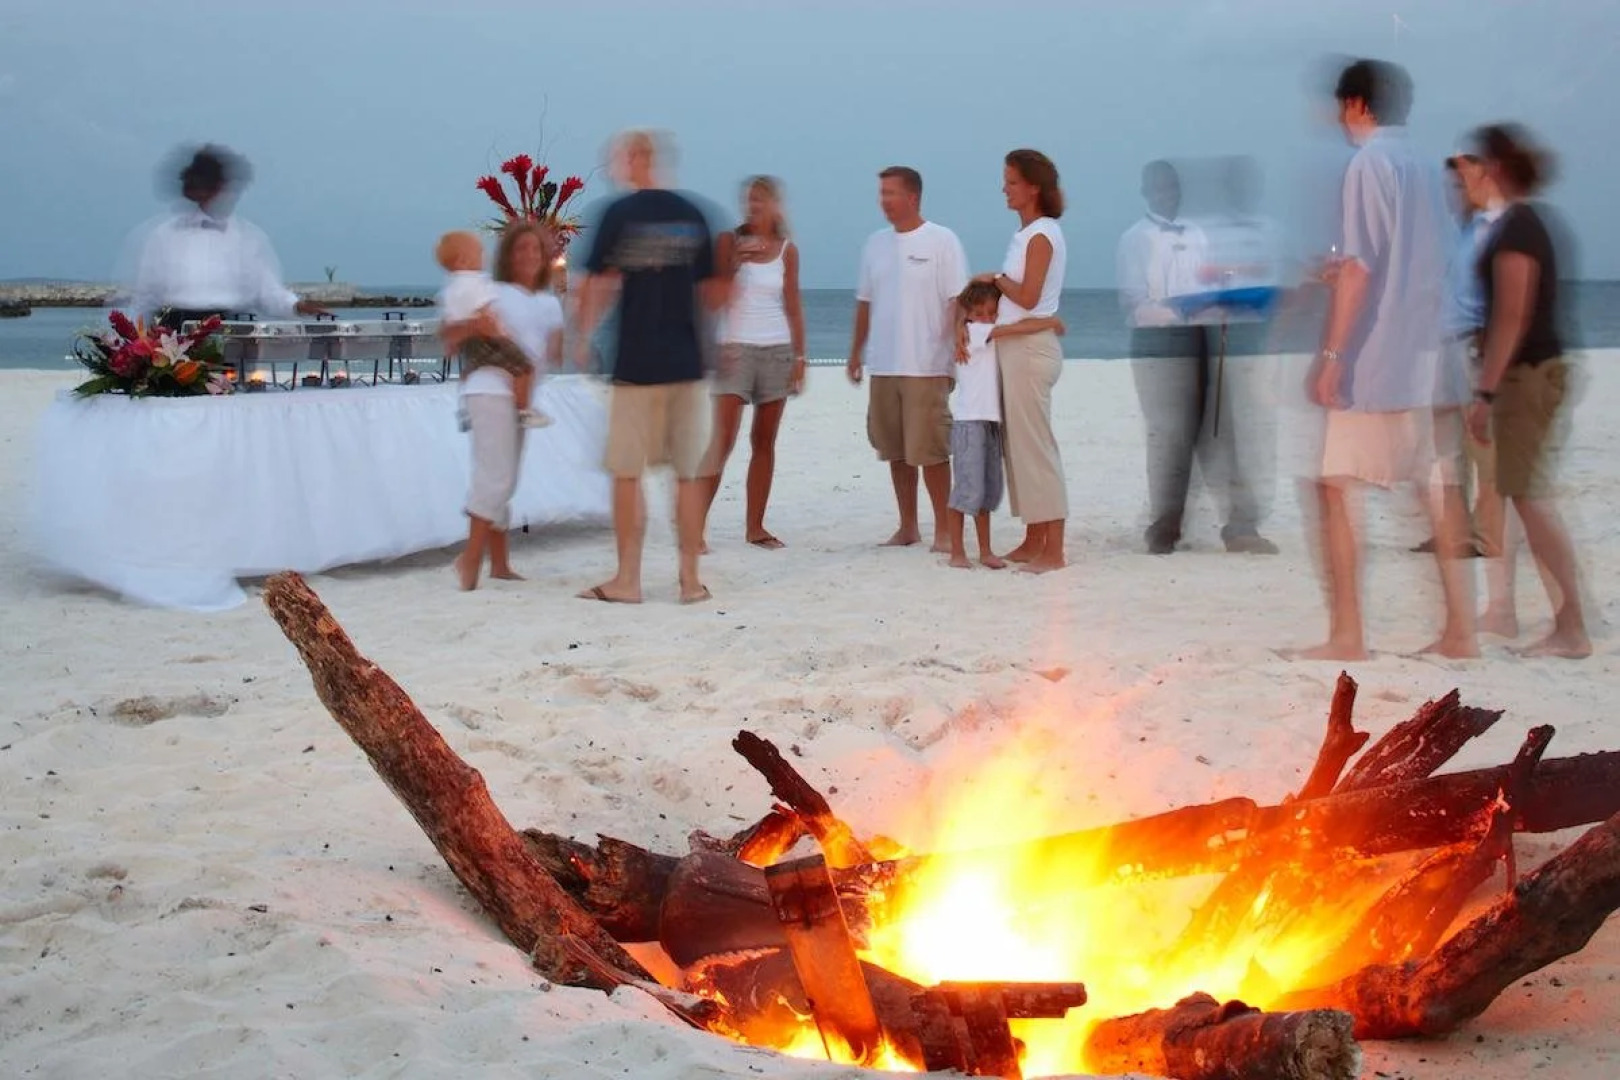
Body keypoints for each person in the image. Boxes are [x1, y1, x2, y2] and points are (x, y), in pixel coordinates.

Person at [1295, 59, 1476, 661]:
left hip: (1384, 353)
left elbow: (1364, 268)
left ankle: (1348, 635)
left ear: (1357, 105)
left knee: (1335, 487)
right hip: (1436, 349)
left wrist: (1332, 355)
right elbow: (1427, 259)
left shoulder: (1369, 162)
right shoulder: (1426, 165)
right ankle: (1461, 632)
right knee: (1438, 490)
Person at [573, 130, 724, 605]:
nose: (616, 166)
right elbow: (714, 291)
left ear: (637, 158)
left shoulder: (618, 214)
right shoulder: (695, 213)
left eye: (618, 157)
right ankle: (690, 580)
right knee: (685, 474)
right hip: (686, 362)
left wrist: (581, 335)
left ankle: (628, 580)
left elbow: (599, 284)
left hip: (636, 362)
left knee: (627, 472)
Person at [1465, 124, 1590, 658]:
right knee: (1530, 496)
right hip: (1537, 370)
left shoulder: (1518, 228)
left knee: (1531, 499)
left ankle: (1572, 627)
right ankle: (1571, 622)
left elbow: (1512, 316)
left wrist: (1485, 391)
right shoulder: (1528, 222)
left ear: (1496, 167)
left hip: (1526, 375)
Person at [1118, 160, 1276, 556]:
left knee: (1222, 430)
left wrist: (1220, 305)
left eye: (1171, 187)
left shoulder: (1198, 233)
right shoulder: (1135, 239)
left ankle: (1240, 526)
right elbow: (1134, 303)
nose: (1166, 194)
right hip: (1158, 344)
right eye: (1158, 188)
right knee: (1168, 436)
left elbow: (1211, 283)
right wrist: (1184, 311)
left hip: (1203, 341)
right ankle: (1165, 528)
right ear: (1145, 191)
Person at [848, 166, 970, 551]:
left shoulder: (941, 240)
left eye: (891, 193)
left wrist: (958, 345)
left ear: (913, 197)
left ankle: (945, 531)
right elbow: (865, 303)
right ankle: (908, 526)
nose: (884, 200)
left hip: (926, 364)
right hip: (884, 364)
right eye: (881, 193)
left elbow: (957, 301)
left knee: (930, 449)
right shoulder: (875, 244)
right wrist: (855, 352)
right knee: (896, 450)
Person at [439, 222, 565, 590]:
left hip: (521, 397)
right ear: (507, 256)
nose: (528, 256)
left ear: (544, 258)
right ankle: (470, 560)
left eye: (535, 250)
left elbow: (553, 352)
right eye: (520, 249)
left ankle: (500, 563)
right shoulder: (490, 291)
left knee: (505, 478)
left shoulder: (549, 301)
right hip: (489, 390)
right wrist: (474, 328)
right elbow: (449, 334)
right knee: (494, 477)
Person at [972, 149, 1071, 573]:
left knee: (1036, 448)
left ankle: (1054, 550)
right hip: (1016, 349)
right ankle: (1034, 538)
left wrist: (995, 278)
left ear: (1033, 187)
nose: (1004, 189)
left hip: (1031, 351)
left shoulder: (1042, 235)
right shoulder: (1027, 235)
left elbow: (1028, 297)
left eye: (1011, 181)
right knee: (1020, 449)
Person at [699, 176, 807, 551]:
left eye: (761, 200)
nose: (753, 207)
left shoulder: (787, 251)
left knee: (764, 441)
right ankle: (694, 530)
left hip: (776, 349)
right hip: (735, 350)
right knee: (721, 441)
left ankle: (755, 527)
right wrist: (733, 263)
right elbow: (711, 300)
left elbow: (792, 305)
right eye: (749, 200)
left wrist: (800, 355)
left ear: (776, 205)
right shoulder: (728, 242)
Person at [1412, 153, 1507, 558]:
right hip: (1443, 344)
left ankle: (1487, 535)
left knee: (1481, 444)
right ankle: (1453, 529)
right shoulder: (1455, 232)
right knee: (1444, 444)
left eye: (1460, 184)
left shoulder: (1493, 230)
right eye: (1449, 186)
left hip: (1474, 343)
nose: (1453, 193)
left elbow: (1502, 294)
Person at [125, 144, 329, 329]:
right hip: (174, 332)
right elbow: (145, 297)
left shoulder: (249, 238)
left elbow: (268, 292)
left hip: (231, 329)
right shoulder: (163, 236)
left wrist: (297, 306)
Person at [946, 281, 1066, 569]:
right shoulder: (977, 333)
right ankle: (957, 553)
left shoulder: (977, 331)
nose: (987, 317)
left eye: (992, 312)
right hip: (969, 423)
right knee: (966, 491)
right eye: (980, 312)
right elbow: (1012, 329)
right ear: (971, 314)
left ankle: (986, 551)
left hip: (989, 422)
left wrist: (959, 324)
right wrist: (1047, 322)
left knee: (986, 491)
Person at [435, 229, 547, 429]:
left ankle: (466, 410)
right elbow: (485, 312)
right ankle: (522, 410)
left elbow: (449, 321)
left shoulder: (450, 288)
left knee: (471, 370)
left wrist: (452, 343)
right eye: (479, 253)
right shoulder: (476, 281)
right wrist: (501, 332)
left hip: (469, 344)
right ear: (463, 260)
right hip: (488, 339)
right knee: (524, 367)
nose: (483, 257)